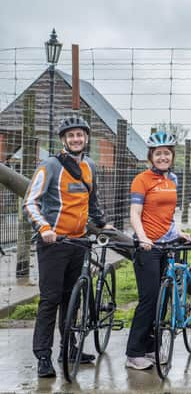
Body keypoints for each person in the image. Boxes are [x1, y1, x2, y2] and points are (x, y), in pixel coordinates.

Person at [23, 115, 110, 378]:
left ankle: (69, 349)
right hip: (54, 244)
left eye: (80, 135)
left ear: (86, 138)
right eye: (71, 135)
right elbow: (30, 202)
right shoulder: (49, 166)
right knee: (50, 300)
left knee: (73, 299)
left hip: (80, 242)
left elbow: (91, 202)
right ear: (63, 139)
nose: (76, 139)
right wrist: (45, 229)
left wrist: (103, 224)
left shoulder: (90, 167)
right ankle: (43, 357)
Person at [124, 131, 191, 370]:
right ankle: (134, 353)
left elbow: (171, 212)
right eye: (158, 153)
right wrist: (142, 238)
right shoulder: (141, 179)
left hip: (167, 245)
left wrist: (179, 231)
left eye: (167, 153)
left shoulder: (172, 179)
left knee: (162, 300)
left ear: (172, 156)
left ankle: (151, 348)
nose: (163, 157)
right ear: (151, 156)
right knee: (149, 299)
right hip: (147, 246)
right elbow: (135, 213)